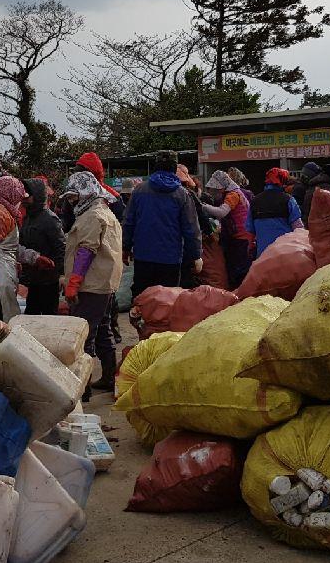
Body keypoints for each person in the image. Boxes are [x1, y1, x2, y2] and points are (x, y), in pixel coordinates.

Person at [61, 171, 123, 394]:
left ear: (86, 193)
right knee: (103, 329)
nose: (71, 202)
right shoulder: (104, 211)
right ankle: (109, 378)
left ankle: (82, 387)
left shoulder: (92, 216)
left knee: (84, 335)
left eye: (73, 197)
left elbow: (86, 251)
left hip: (92, 285)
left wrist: (73, 283)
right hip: (105, 284)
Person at [0, 176, 55, 321]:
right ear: (11, 195)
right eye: (19, 198)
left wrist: (34, 257)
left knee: (1, 319)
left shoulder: (2, 211)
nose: (21, 202)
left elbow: (10, 247)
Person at [123, 150, 202, 298]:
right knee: (167, 303)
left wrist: (125, 248)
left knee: (142, 301)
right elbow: (191, 229)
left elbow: (128, 222)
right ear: (174, 168)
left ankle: (142, 321)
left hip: (143, 258)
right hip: (171, 259)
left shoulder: (139, 190)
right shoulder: (182, 194)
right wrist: (196, 255)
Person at [19, 177, 65, 315]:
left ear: (37, 195)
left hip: (48, 281)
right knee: (31, 316)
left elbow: (60, 247)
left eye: (28, 195)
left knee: (48, 317)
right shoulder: (28, 218)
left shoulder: (50, 219)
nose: (24, 198)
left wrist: (61, 274)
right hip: (33, 281)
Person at [202, 169, 254, 289]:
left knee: (240, 271)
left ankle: (239, 295)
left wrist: (203, 207)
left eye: (217, 188)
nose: (216, 191)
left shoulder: (233, 195)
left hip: (242, 238)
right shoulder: (237, 193)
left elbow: (222, 212)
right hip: (241, 236)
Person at [247, 167, 304, 257]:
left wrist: (250, 245)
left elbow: (250, 230)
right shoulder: (288, 200)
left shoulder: (255, 201)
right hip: (285, 251)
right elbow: (298, 227)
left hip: (263, 253)